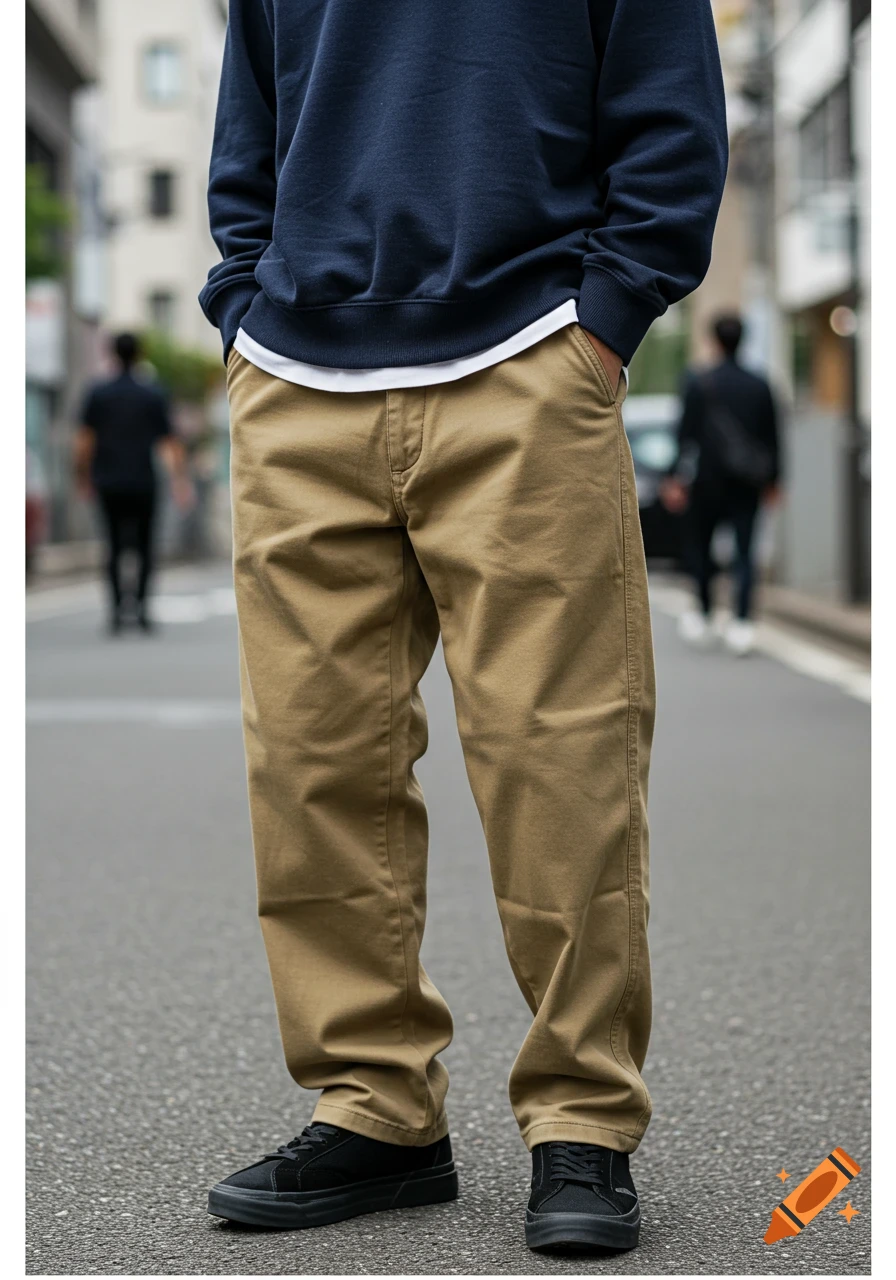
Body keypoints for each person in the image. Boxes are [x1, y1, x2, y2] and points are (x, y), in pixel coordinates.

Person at [200, 0, 727, 1252]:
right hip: (299, 375)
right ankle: (375, 1103)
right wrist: (243, 306)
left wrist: (605, 316)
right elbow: (251, 111)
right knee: (310, 760)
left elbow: (668, 103)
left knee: (560, 757)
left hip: (529, 356)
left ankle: (582, 1118)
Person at [665, 314, 781, 657]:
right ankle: (742, 622)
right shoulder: (760, 384)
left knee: (701, 548)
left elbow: (684, 435)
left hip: (706, 481)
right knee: (745, 553)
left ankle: (704, 613)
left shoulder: (698, 381)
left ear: (714, 341)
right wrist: (775, 480)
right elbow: (772, 438)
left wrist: (675, 478)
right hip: (747, 483)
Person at [75, 333, 192, 633]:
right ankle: (141, 610)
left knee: (113, 546)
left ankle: (115, 612)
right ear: (139, 354)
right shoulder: (152, 393)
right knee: (144, 546)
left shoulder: (98, 393)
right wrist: (180, 481)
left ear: (112, 353)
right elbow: (169, 441)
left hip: (108, 481)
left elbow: (85, 442)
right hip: (143, 480)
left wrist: (83, 477)